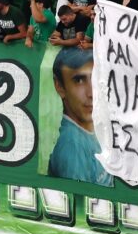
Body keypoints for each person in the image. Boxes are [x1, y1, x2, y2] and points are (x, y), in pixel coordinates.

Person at [48, 48, 112, 186]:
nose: (91, 93)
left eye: (95, 78)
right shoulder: (72, 148)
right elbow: (79, 199)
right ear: (59, 86)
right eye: (79, 80)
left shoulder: (92, 128)